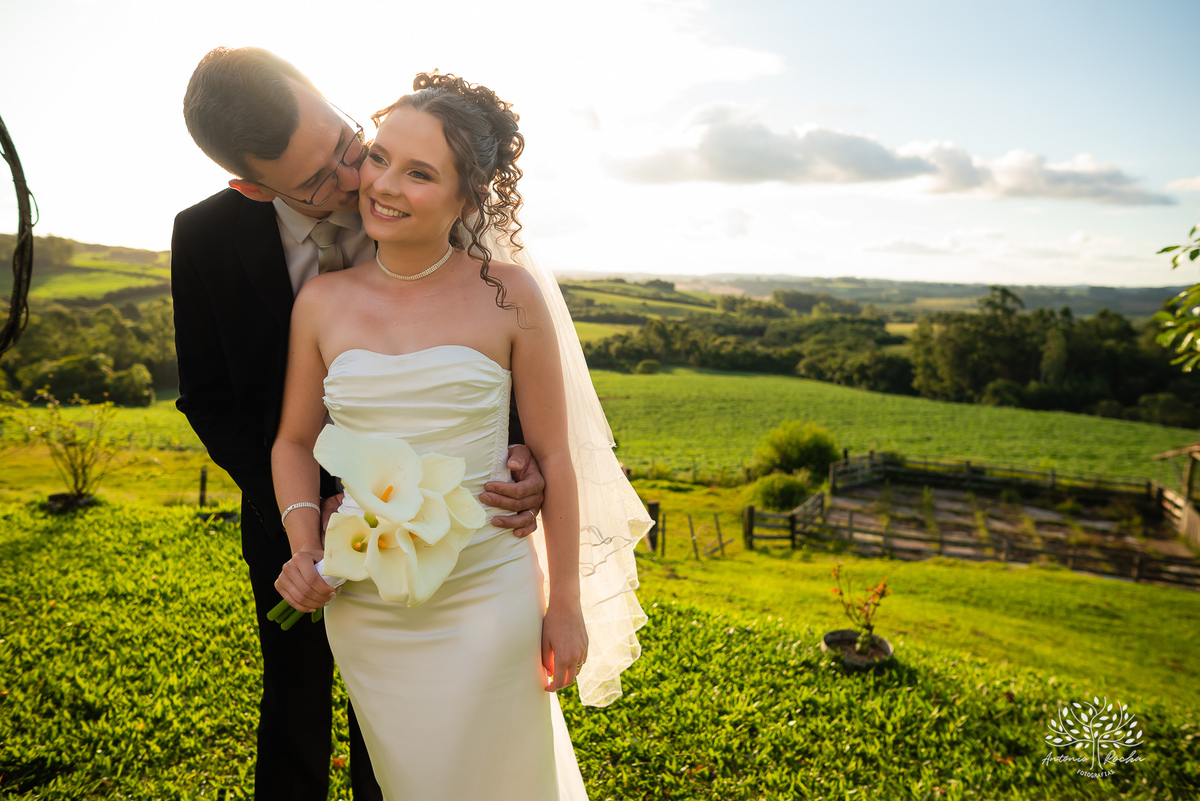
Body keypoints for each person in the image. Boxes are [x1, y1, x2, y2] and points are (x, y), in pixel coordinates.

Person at [172, 47, 547, 801]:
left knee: (410, 719)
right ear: (251, 185)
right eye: (317, 181)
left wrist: (520, 450)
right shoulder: (205, 238)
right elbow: (209, 399)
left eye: (348, 144)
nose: (354, 181)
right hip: (296, 520)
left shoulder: (414, 173)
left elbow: (492, 345)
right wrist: (311, 503)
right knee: (295, 702)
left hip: (447, 524)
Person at [270, 73, 650, 800]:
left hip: (489, 591)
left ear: (468, 198)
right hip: (368, 603)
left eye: (420, 173)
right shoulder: (321, 303)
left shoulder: (510, 295)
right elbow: (293, 441)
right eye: (379, 157)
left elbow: (555, 458)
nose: (382, 184)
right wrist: (307, 548)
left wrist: (564, 602)